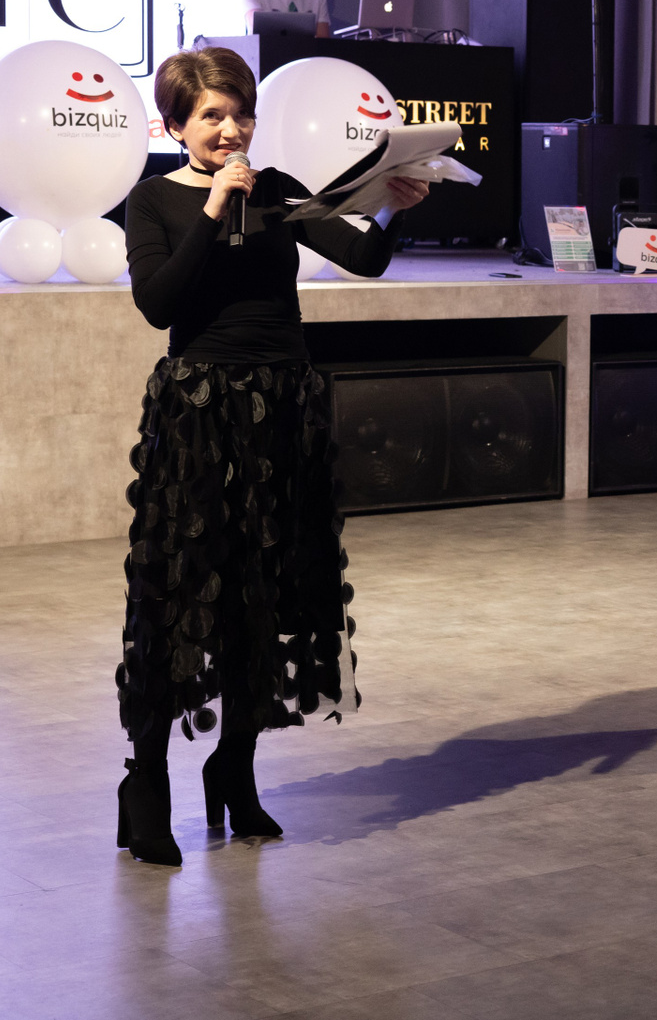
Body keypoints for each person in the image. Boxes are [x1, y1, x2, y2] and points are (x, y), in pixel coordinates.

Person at [115, 47, 429, 866]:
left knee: (263, 594)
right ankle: (146, 782)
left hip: (281, 410)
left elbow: (364, 258)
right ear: (175, 126)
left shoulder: (279, 186)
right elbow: (158, 304)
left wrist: (392, 209)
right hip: (199, 415)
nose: (230, 130)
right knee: (179, 597)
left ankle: (235, 767)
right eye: (211, 116)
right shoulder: (153, 199)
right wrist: (214, 207)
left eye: (240, 114)